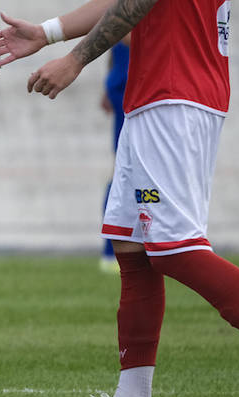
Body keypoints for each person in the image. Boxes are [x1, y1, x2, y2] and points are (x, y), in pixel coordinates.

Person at [0, 1, 239, 397]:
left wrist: (75, 59)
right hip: (158, 93)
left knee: (175, 250)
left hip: (174, 93)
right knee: (133, 250)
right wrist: (47, 32)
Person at [99, 35, 130, 274]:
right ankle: (112, 252)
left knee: (123, 169)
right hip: (131, 84)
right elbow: (124, 29)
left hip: (123, 79)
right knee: (124, 170)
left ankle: (112, 252)